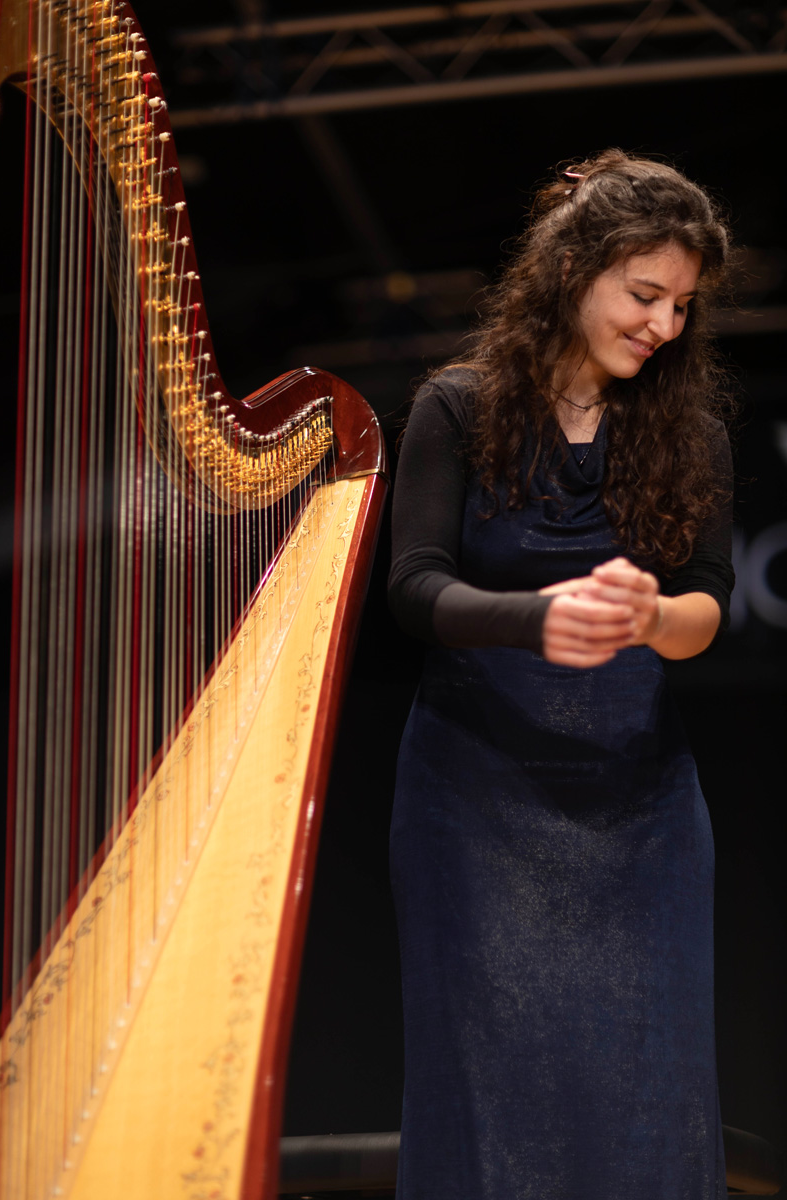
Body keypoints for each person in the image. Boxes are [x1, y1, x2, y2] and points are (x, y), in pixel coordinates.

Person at [388, 149, 735, 1200]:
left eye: (681, 305)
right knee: (486, 1090)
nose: (663, 325)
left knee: (648, 1094)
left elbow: (706, 607)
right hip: (474, 796)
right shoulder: (457, 407)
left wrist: (649, 616)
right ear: (574, 269)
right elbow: (414, 590)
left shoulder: (691, 433)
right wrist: (535, 619)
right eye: (644, 294)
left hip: (639, 806)